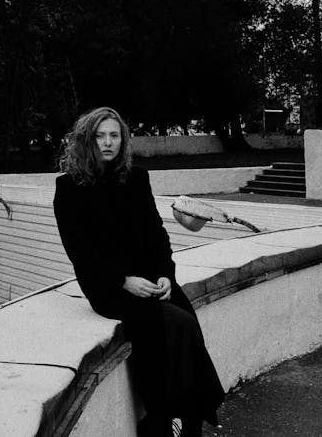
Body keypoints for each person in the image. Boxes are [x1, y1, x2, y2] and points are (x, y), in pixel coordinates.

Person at [53, 106, 224, 437]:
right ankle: (169, 416)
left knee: (185, 324)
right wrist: (124, 281)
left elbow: (157, 234)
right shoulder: (69, 188)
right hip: (108, 286)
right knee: (179, 324)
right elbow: (81, 254)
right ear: (86, 141)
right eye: (100, 136)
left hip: (151, 279)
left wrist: (164, 274)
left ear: (123, 139)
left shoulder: (136, 178)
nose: (108, 143)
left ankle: (184, 420)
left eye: (114, 135)